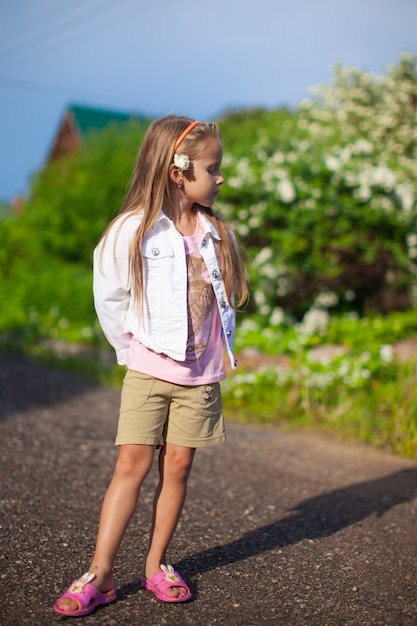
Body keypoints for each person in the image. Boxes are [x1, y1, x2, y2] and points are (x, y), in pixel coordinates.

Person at [53, 115, 248, 617]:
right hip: (147, 371)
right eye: (213, 167)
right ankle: (100, 572)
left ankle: (155, 564)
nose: (220, 177)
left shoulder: (214, 233)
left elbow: (222, 303)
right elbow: (109, 296)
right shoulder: (133, 230)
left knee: (178, 466)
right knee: (131, 465)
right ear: (177, 171)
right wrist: (130, 353)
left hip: (199, 377)